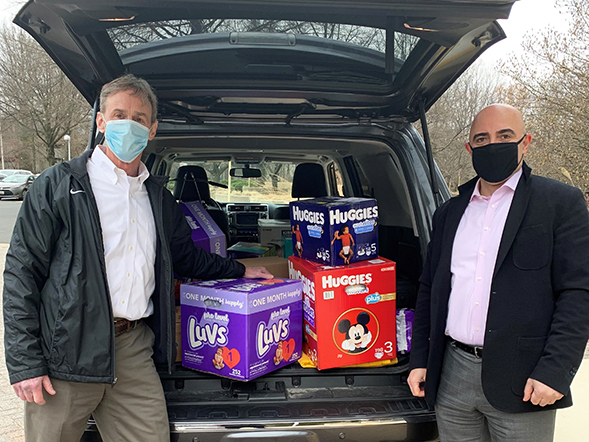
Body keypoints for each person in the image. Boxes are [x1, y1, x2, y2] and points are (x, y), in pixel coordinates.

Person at [2, 74, 272, 442]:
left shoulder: (159, 199)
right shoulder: (58, 185)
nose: (129, 125)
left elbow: (187, 259)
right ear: (101, 121)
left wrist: (241, 270)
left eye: (139, 119)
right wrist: (24, 363)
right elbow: (21, 272)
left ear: (153, 129)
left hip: (132, 348)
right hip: (66, 350)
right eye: (119, 115)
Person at [407, 104, 589, 441]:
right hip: (452, 373)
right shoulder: (449, 212)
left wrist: (555, 371)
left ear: (525, 141)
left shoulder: (560, 203)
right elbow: (429, 289)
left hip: (524, 380)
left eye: (504, 136)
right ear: (470, 149)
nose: (493, 145)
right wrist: (421, 358)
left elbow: (578, 293)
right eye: (482, 138)